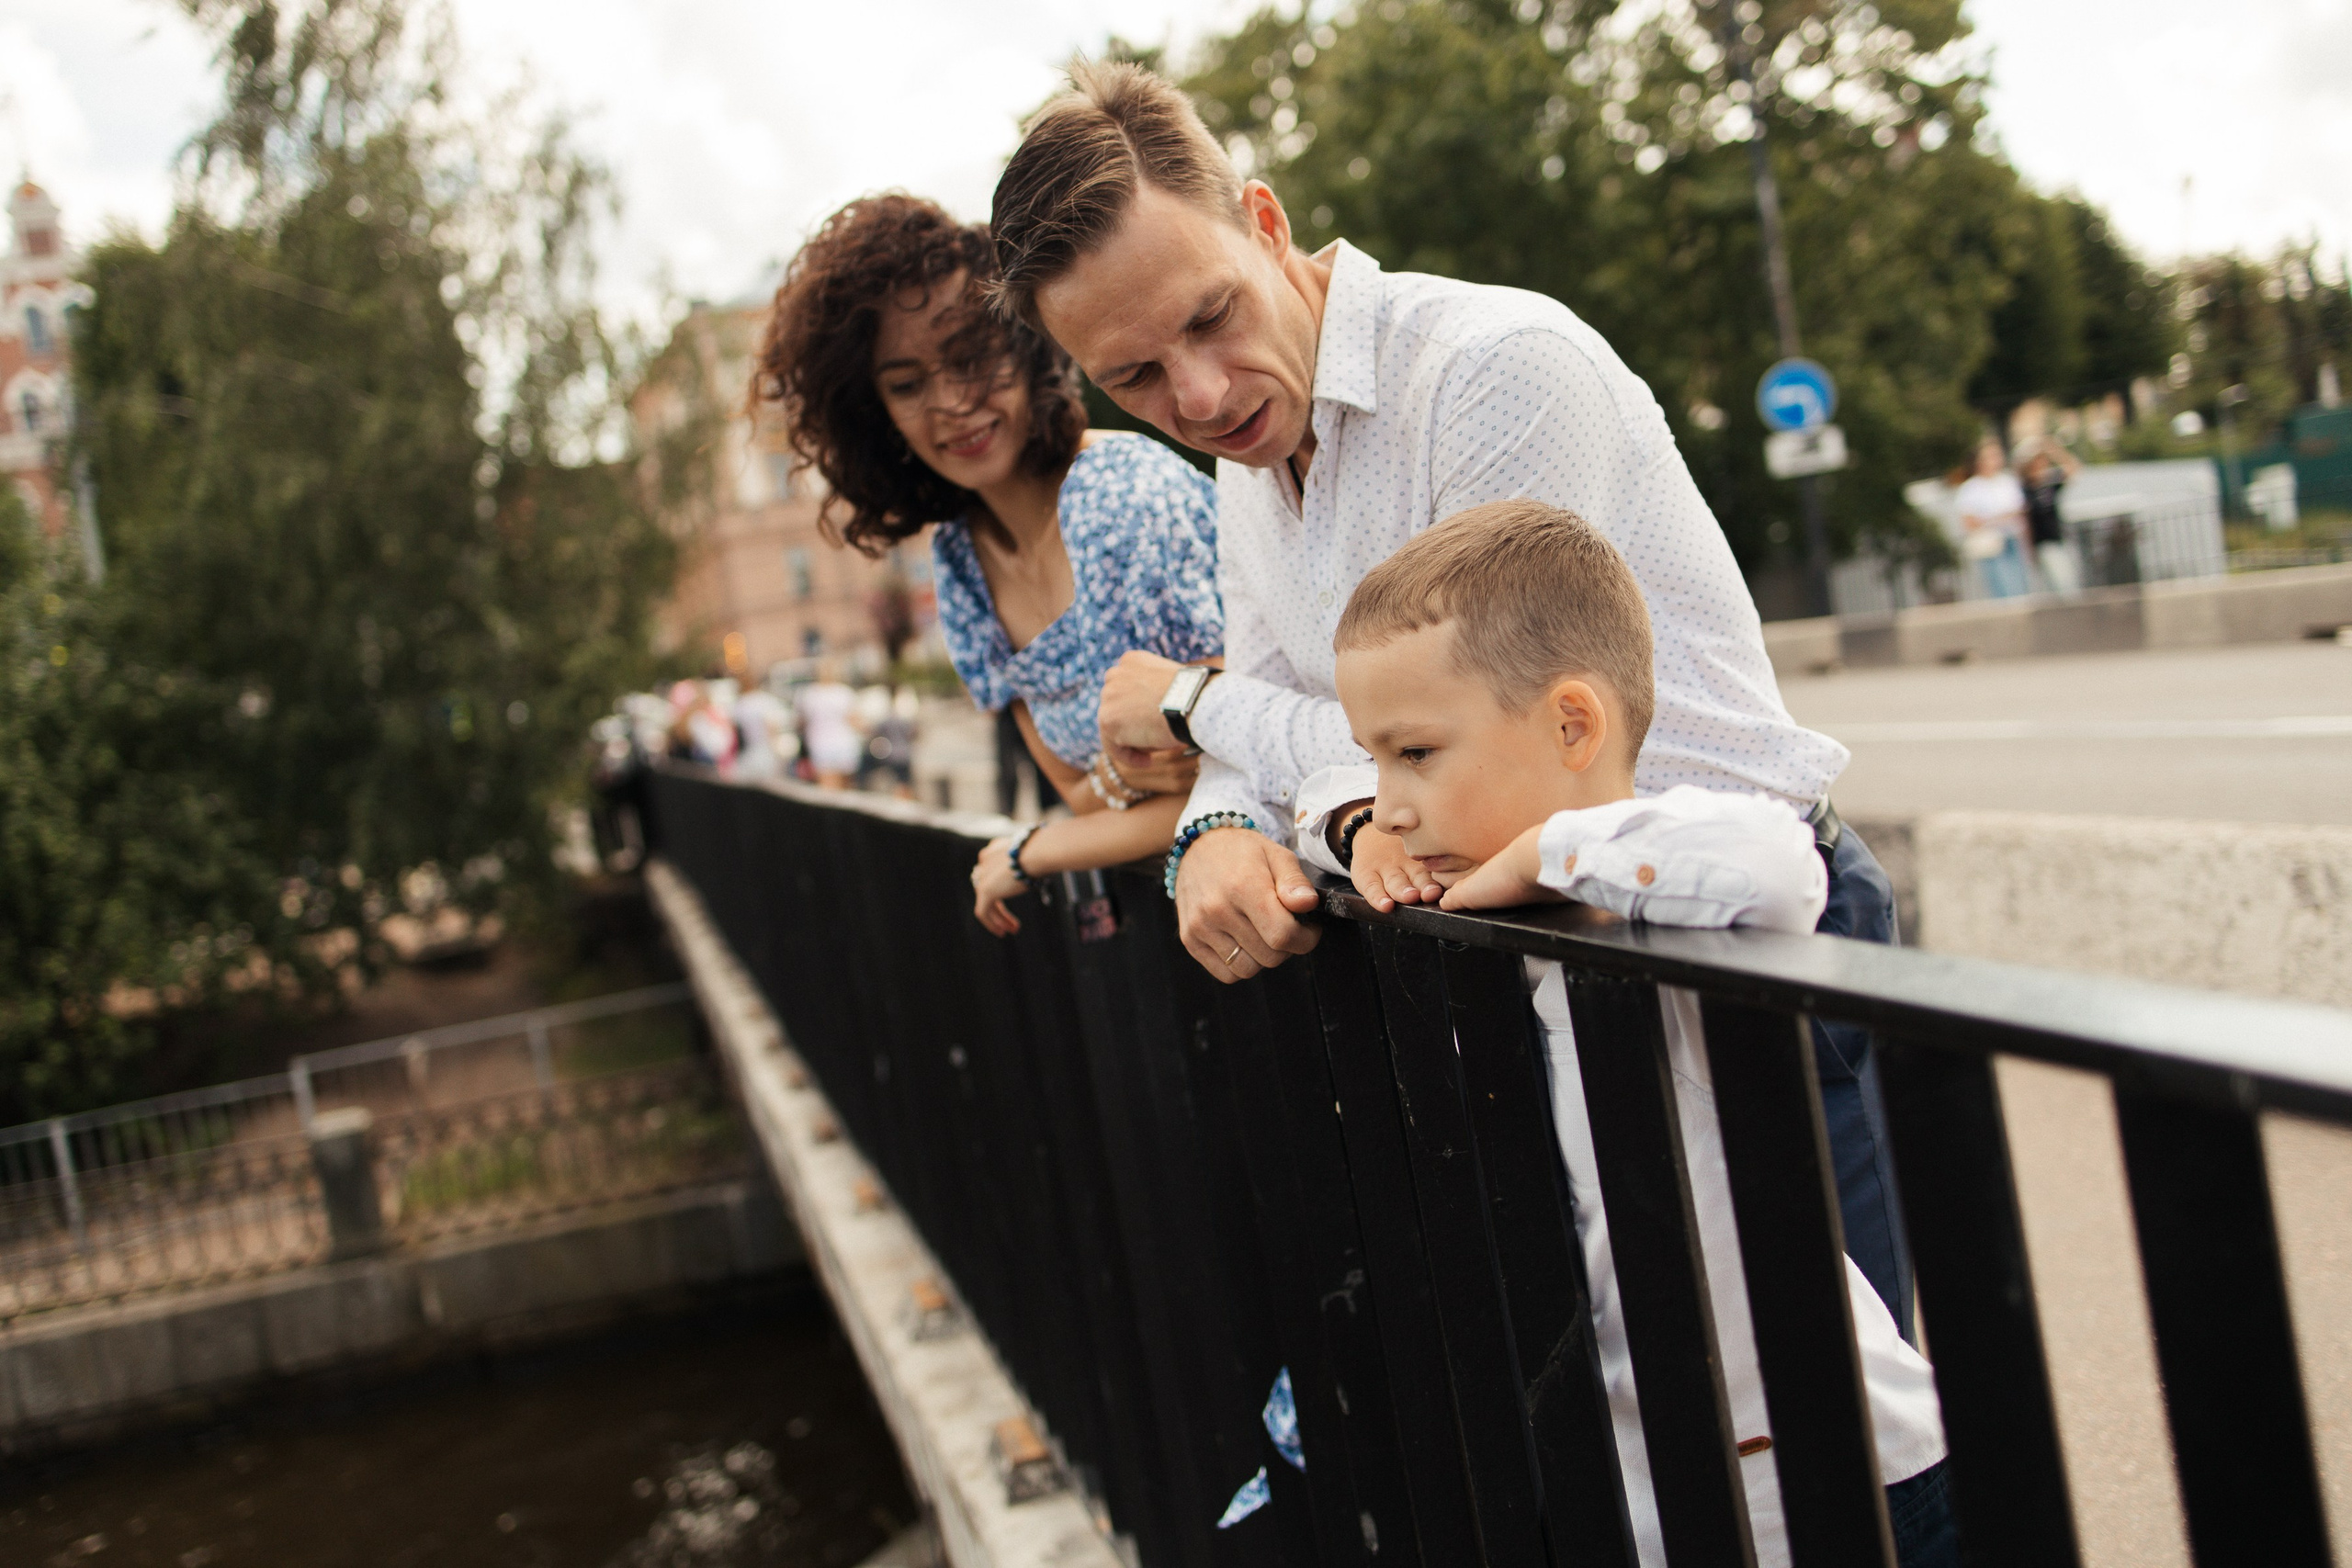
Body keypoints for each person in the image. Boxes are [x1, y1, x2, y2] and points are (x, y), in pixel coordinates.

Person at [987, 61, 1914, 1336]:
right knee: (1670, 1459)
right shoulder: (1253, 464)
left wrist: (1196, 707)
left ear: (1266, 223)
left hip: (1733, 928)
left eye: (1210, 318)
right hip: (1549, 968)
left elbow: (1483, 755)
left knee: (1853, 1455)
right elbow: (1336, 743)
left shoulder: (1491, 371)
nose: (1196, 398)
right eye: (1134, 378)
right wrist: (1215, 828)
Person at [1295, 501, 1953, 1568]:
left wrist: (1549, 849)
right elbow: (1321, 822)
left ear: (1571, 727)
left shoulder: (1661, 901)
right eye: (1375, 763)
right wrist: (1347, 831)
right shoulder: (1467, 919)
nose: (1392, 805)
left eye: (1414, 754)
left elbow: (1776, 861)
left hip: (1834, 1480)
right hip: (1654, 1500)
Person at [754, 194, 1223, 932]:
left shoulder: (1124, 493)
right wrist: (1116, 788)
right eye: (907, 383)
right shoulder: (960, 561)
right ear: (875, 414)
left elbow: (1236, 770)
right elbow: (1078, 790)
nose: (952, 403)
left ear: (1025, 343)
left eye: (970, 358)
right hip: (1177, 929)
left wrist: (1039, 847)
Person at [1952, 442, 2030, 599]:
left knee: (2020, 585)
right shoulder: (1971, 488)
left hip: (2012, 537)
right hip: (1991, 542)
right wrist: (1999, 518)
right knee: (2002, 587)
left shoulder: (2007, 481)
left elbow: (2020, 511)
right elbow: (1969, 521)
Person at [2018, 443, 2083, 595]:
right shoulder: (2025, 489)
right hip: (2042, 542)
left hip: (2058, 538)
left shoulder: (2050, 483)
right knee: (2058, 585)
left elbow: (2074, 468)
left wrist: (2055, 450)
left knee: (2066, 583)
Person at [794, 659, 862, 789]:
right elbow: (855, 721)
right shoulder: (844, 693)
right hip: (845, 743)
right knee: (846, 788)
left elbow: (800, 723)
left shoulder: (808, 694)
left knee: (828, 790)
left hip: (820, 745)